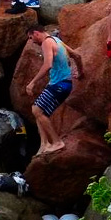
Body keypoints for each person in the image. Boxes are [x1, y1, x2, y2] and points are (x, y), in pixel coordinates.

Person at [26, 25, 83, 155]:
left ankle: (57, 142)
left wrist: (32, 82)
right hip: (65, 84)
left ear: (36, 33)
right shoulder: (57, 40)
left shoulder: (46, 42)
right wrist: (80, 73)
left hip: (59, 84)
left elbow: (48, 64)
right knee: (38, 111)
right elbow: (76, 56)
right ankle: (44, 144)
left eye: (31, 37)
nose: (33, 41)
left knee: (37, 110)